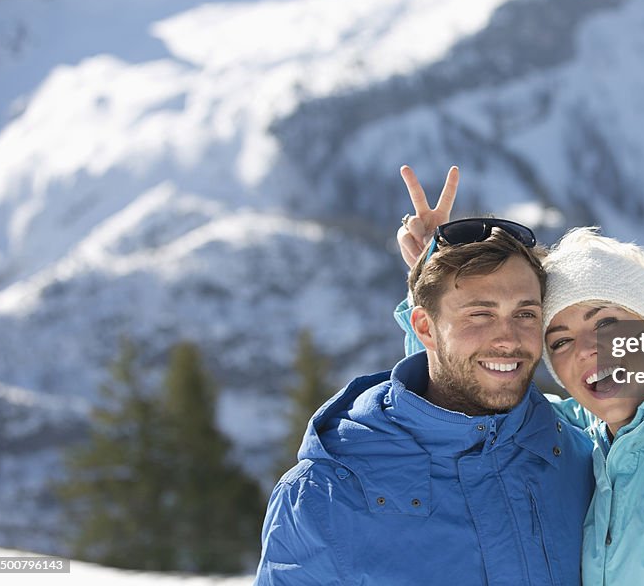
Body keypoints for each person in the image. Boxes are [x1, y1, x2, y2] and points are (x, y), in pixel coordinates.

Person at [396, 167, 644, 586]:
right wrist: (438, 289)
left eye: (606, 324)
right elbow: (463, 402)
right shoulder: (572, 436)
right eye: (561, 341)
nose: (587, 350)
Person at [254, 166, 595, 585]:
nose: (508, 339)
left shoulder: (577, 450)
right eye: (480, 314)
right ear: (424, 328)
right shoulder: (326, 494)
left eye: (525, 314)